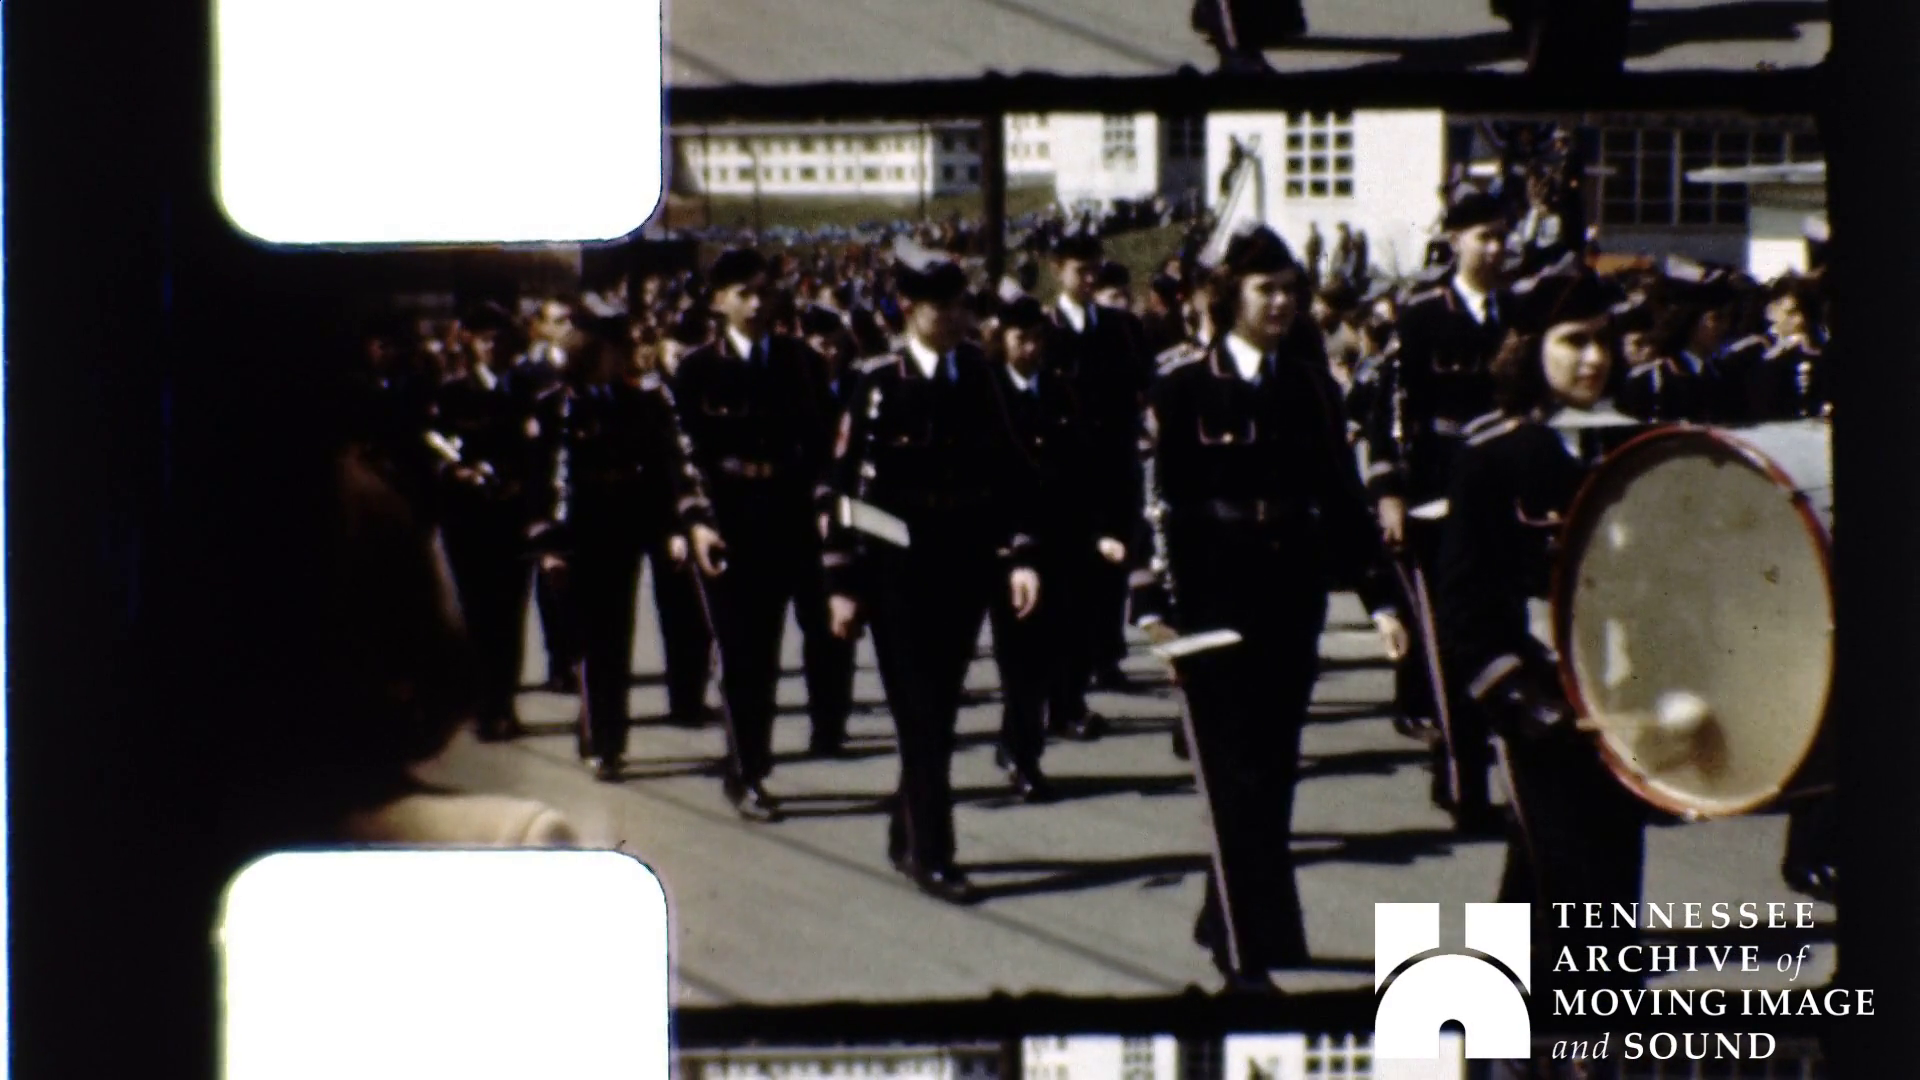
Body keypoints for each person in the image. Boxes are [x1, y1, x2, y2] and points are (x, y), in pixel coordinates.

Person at [1129, 225, 1408, 990]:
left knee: (1275, 773)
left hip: (1290, 595)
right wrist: (1153, 602)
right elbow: (1154, 498)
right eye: (1266, 290)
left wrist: (1381, 598)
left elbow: (1343, 503)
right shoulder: (1183, 385)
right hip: (1212, 593)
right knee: (1234, 777)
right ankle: (1243, 958)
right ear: (1229, 298)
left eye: (1290, 289)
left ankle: (1231, 916)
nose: (1282, 303)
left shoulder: (1313, 386)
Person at [1432, 255, 1645, 998]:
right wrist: (1519, 699)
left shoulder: (1636, 447)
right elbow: (1464, 607)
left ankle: (1499, 1033)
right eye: (1574, 341)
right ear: (1531, 347)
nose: (1595, 358)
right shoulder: (1494, 455)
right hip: (1544, 705)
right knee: (1573, 882)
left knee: (1598, 882)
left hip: (1630, 701)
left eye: (1604, 340)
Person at [823, 239, 1042, 904]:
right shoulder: (877, 380)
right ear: (908, 309)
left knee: (939, 713)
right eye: (938, 306)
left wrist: (1019, 554)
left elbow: (1011, 475)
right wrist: (843, 582)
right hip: (899, 574)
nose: (952, 318)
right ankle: (934, 855)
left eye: (959, 306)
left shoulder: (979, 375)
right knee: (920, 716)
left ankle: (906, 824)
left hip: (966, 566)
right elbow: (847, 490)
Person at [673, 249, 850, 821]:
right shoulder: (696, 370)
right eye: (742, 293)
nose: (755, 303)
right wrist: (697, 523)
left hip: (793, 513)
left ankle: (808, 735)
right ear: (718, 301)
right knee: (747, 653)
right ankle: (745, 771)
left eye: (762, 292)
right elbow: (685, 453)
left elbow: (825, 444)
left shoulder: (800, 361)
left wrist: (825, 502)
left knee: (810, 634)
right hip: (732, 521)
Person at [1368, 190, 1515, 835]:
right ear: (1454, 239)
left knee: (1499, 636)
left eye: (1502, 235)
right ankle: (1463, 781)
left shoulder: (1521, 311)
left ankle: (1485, 766)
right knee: (1449, 642)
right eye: (1483, 235)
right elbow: (1392, 407)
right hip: (1440, 492)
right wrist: (1390, 490)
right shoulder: (1424, 314)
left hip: (1504, 498)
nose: (1495, 247)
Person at [540, 323, 725, 782]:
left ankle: (609, 739)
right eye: (609, 350)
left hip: (635, 522)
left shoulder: (641, 401)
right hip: (586, 531)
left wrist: (674, 527)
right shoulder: (562, 406)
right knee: (601, 642)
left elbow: (664, 467)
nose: (618, 357)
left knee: (621, 633)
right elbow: (554, 480)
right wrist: (553, 544)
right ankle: (603, 742)